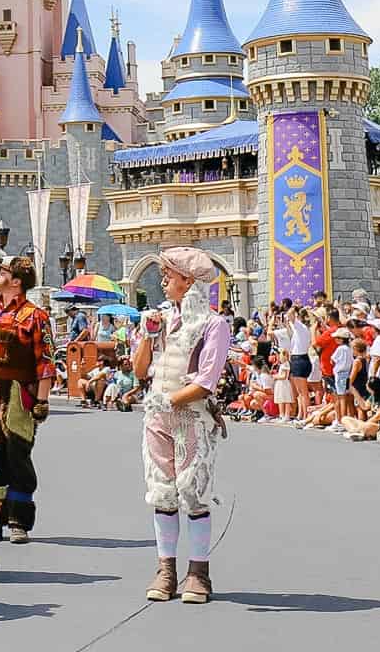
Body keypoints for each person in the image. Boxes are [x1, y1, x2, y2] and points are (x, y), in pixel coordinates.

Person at [132, 246, 229, 605]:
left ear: (188, 281)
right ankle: (166, 570)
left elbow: (206, 381)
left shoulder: (213, 324)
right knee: (161, 490)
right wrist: (146, 335)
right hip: (158, 417)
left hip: (192, 418)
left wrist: (170, 400)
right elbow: (140, 371)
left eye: (169, 275)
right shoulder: (160, 320)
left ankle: (199, 572)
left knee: (193, 492)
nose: (163, 281)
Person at [0, 255, 54, 544]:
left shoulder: (36, 316)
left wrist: (42, 401)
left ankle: (18, 519)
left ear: (17, 281)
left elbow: (45, 361)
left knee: (17, 455)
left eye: (3, 271)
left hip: (17, 395)